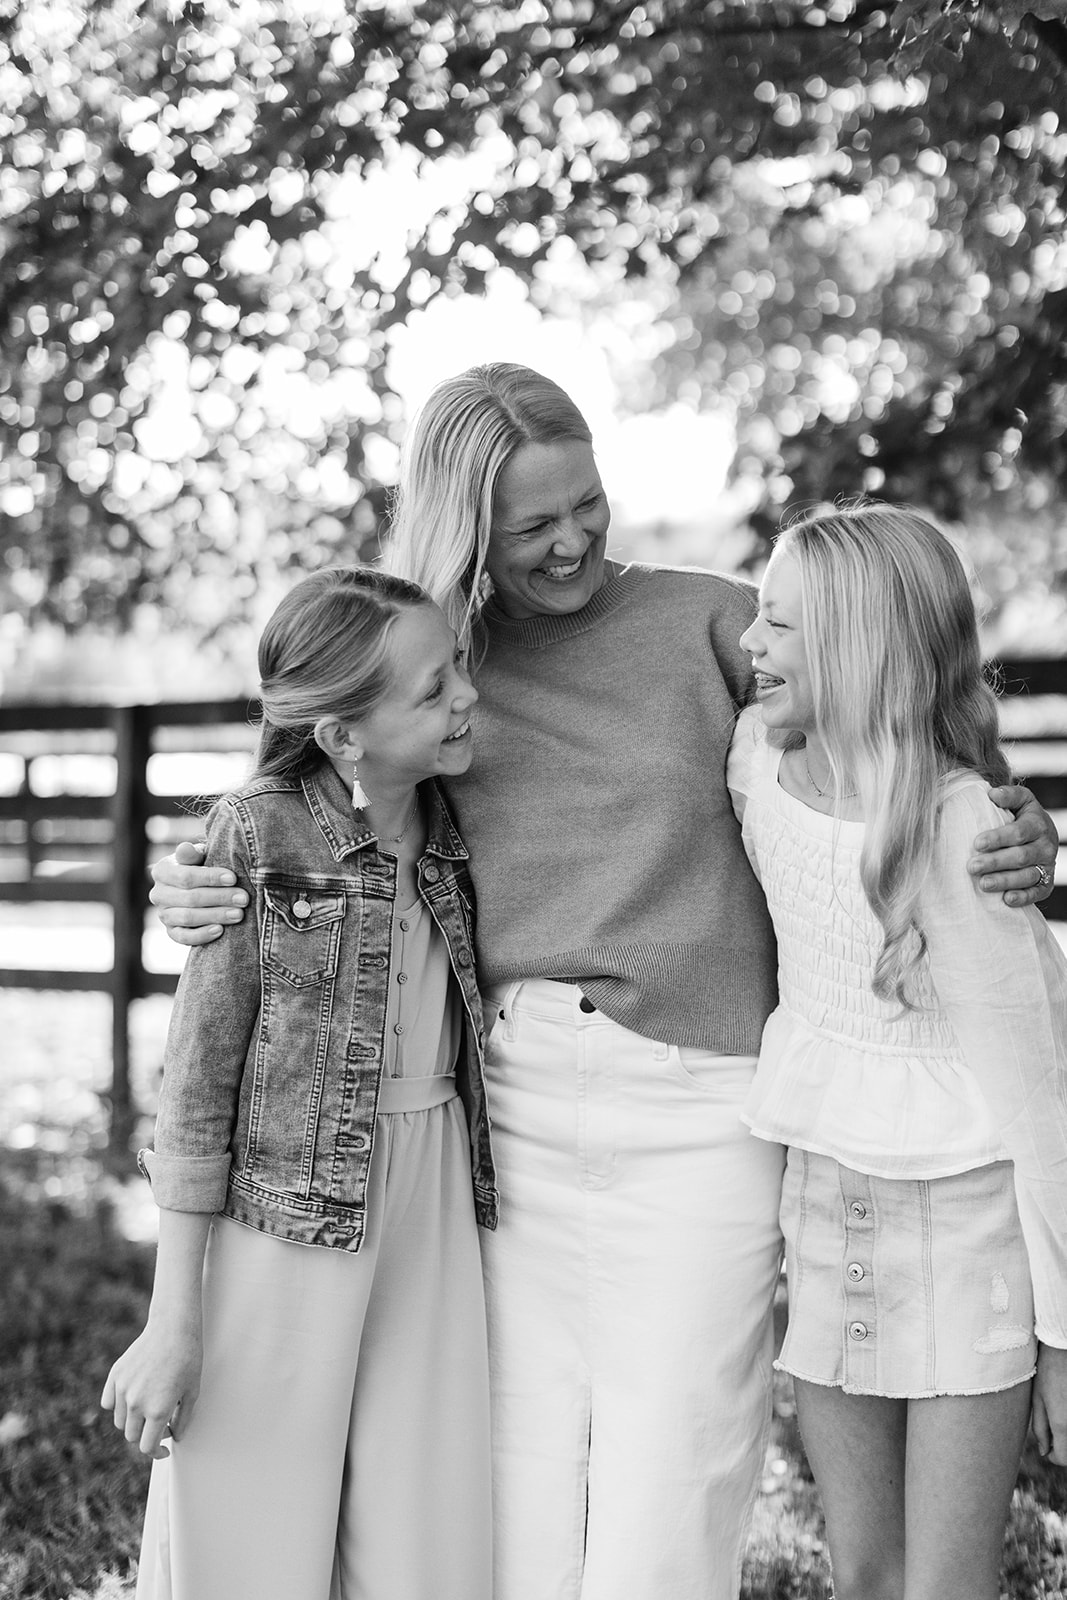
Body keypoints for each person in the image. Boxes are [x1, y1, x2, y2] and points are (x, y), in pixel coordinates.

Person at [147, 365, 1059, 1600]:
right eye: (529, 526)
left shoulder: (714, 622)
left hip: (700, 1104)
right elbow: (306, 790)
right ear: (468, 525)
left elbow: (885, 732)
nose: (571, 541)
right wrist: (198, 889)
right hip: (506, 1114)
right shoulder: (427, 656)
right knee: (505, 1497)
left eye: (587, 503)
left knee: (667, 1494)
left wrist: (1011, 822)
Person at [102, 566, 496, 1600]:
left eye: (455, 667)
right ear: (341, 735)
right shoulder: (260, 830)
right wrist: (172, 1318)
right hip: (286, 1209)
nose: (464, 694)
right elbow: (196, 1084)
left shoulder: (460, 814)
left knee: (424, 1523)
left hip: (433, 1190)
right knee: (251, 1526)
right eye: (431, 688)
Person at [727, 504, 1067, 1600]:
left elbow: (1038, 1097)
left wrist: (1063, 1332)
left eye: (776, 627)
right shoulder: (751, 767)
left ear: (855, 647)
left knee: (944, 1587)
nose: (747, 644)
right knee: (864, 1570)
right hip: (829, 1211)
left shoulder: (960, 826)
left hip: (966, 1234)